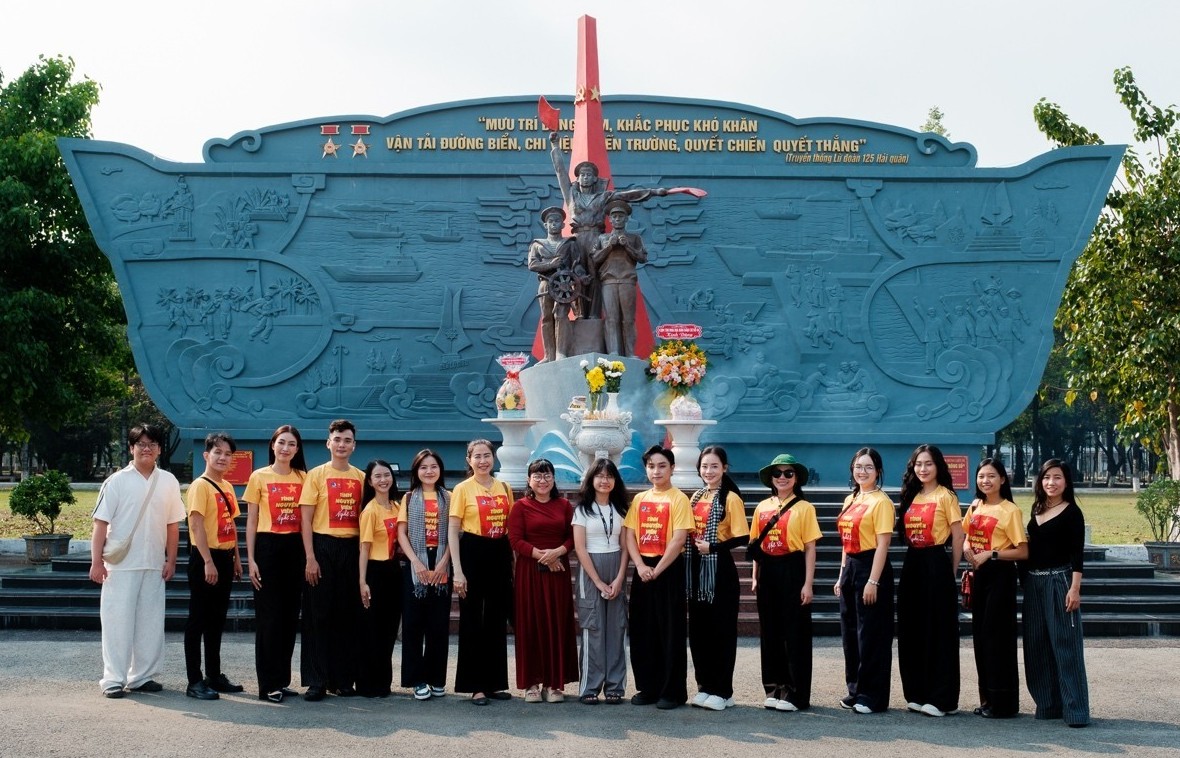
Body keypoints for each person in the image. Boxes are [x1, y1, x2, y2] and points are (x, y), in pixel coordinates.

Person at [89, 424, 186, 699]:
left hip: (154, 563)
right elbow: (100, 524)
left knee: (150, 623)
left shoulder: (167, 481)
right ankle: (113, 679)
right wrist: (96, 563)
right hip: (120, 565)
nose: (146, 448)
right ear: (131, 448)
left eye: (152, 443)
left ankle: (142, 676)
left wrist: (171, 560)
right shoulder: (117, 481)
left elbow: (172, 524)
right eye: (140, 443)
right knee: (117, 622)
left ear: (159, 448)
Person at [549, 135, 673, 319]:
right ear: (578, 177)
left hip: (597, 237)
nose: (585, 177)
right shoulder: (571, 195)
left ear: (594, 179)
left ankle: (594, 316)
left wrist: (654, 192)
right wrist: (555, 145)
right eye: (582, 174)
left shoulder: (604, 196)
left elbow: (628, 196)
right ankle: (580, 315)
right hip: (577, 241)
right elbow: (560, 171)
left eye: (589, 174)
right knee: (576, 275)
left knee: (596, 277)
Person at [622, 445, 694, 710]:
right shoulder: (640, 499)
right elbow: (629, 534)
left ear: (672, 468)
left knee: (670, 631)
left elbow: (678, 539)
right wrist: (640, 566)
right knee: (643, 630)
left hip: (668, 569)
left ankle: (672, 692)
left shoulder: (678, 499)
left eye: (662, 465)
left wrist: (657, 569)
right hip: (643, 569)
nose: (656, 471)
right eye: (651, 466)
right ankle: (648, 688)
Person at [298, 419, 365, 701]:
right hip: (322, 546)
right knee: (317, 616)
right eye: (337, 439)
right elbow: (306, 518)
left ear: (354, 445)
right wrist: (310, 557)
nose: (342, 445)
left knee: (346, 615)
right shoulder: (315, 475)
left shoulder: (361, 477)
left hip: (350, 548)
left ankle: (342, 678)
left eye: (347, 440)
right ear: (328, 443)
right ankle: (316, 680)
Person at [750, 453, 821, 712]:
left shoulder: (804, 508)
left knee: (795, 633)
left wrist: (808, 583)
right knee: (770, 632)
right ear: (771, 478)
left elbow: (810, 548)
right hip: (767, 570)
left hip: (793, 568)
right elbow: (755, 545)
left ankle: (796, 693)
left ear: (796, 478)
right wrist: (755, 575)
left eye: (788, 473)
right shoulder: (762, 507)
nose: (782, 478)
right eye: (777, 473)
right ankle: (774, 687)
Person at [896, 444, 963, 718]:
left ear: (938, 467)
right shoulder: (912, 495)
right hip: (913, 562)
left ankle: (942, 697)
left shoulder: (946, 496)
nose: (923, 469)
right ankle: (917, 692)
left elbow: (958, 536)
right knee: (912, 628)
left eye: (928, 464)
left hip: (937, 562)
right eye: (918, 464)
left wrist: (952, 571)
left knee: (940, 631)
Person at [1023, 459, 1090, 727]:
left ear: (1066, 481)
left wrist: (1074, 589)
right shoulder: (1037, 508)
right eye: (1047, 477)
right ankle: (1048, 704)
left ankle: (1076, 711)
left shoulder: (1072, 513)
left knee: (1065, 646)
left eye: (1057, 477)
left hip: (1060, 582)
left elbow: (1077, 555)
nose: (1051, 482)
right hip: (1034, 584)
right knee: (1037, 646)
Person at [243, 424, 307, 703]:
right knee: (269, 619)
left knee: (289, 617)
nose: (285, 448)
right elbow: (252, 520)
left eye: (291, 444)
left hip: (295, 549)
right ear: (272, 445)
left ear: (297, 449)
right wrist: (251, 559)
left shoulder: (304, 477)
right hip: (268, 547)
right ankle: (267, 683)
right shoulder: (259, 476)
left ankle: (282, 678)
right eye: (281, 443)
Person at [449, 439, 515, 705]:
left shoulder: (504, 487)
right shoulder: (462, 489)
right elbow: (453, 530)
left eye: (487, 455)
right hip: (473, 552)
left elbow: (510, 527)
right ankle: (475, 685)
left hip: (499, 553)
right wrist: (458, 571)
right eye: (477, 456)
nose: (483, 461)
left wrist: (512, 562)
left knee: (497, 619)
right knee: (473, 618)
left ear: (494, 458)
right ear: (469, 460)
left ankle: (495, 683)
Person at [508, 458, 578, 703]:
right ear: (529, 480)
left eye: (547, 475)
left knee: (556, 624)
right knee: (531, 625)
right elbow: (515, 540)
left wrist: (557, 552)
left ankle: (554, 683)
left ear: (554, 478)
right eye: (537, 476)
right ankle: (531, 684)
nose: (542, 480)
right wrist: (544, 557)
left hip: (558, 574)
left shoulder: (564, 506)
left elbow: (572, 538)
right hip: (530, 573)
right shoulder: (520, 507)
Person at [962, 457, 1028, 719]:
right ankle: (987, 699)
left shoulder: (1010, 510)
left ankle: (1004, 703)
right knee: (980, 637)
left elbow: (1023, 551)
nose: (985, 481)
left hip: (1000, 577)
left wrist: (992, 555)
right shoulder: (976, 506)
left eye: (991, 476)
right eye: (981, 476)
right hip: (980, 576)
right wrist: (968, 548)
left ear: (1002, 479)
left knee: (997, 639)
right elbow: (967, 535)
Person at [686, 445, 749, 711]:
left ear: (724, 468)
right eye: (704, 466)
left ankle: (723, 691)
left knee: (721, 631)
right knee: (699, 631)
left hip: (719, 569)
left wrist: (713, 547)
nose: (708, 471)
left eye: (714, 466)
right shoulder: (696, 496)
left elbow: (743, 536)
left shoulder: (730, 498)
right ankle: (705, 686)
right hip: (696, 567)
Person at [834, 447, 895, 714]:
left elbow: (883, 545)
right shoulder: (852, 499)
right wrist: (840, 575)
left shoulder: (881, 502)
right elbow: (845, 542)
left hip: (872, 566)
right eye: (859, 467)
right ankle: (855, 689)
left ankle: (873, 695)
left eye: (869, 467)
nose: (863, 472)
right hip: (851, 568)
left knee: (872, 635)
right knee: (850, 633)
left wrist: (874, 581)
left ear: (878, 471)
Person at [183, 432, 244, 700]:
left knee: (217, 620)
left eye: (227, 454)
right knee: (198, 619)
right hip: (204, 558)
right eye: (217, 452)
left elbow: (232, 525)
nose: (222, 457)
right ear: (206, 455)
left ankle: (214, 675)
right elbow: (196, 524)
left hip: (225, 558)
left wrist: (237, 559)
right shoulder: (200, 486)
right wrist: (208, 561)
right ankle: (194, 681)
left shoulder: (228, 487)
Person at [571, 458, 630, 705]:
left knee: (617, 628)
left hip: (616, 564)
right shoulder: (582, 510)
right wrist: (596, 580)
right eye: (600, 476)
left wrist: (618, 579)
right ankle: (590, 686)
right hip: (590, 570)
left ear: (615, 480)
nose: (604, 481)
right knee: (593, 628)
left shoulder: (622, 509)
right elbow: (579, 547)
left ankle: (615, 686)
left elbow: (626, 547)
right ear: (591, 480)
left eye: (609, 476)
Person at [396, 449, 452, 701]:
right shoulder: (408, 498)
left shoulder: (450, 498)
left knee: (438, 625)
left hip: (442, 561)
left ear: (440, 470)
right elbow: (401, 533)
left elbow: (455, 533)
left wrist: (443, 563)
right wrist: (416, 562)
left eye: (433, 466)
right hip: (416, 563)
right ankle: (416, 679)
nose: (429, 471)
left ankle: (436, 678)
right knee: (413, 624)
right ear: (416, 472)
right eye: (423, 467)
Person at [356, 459, 403, 698]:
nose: (383, 480)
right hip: (374, 572)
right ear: (370, 481)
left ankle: (383, 682)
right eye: (378, 476)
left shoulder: (397, 507)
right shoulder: (370, 510)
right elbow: (364, 548)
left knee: (388, 629)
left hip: (394, 571)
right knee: (371, 629)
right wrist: (362, 581)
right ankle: (366, 683)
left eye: (386, 475)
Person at [589, 200, 647, 356]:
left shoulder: (634, 238)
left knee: (628, 320)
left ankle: (629, 353)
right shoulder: (602, 238)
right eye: (614, 216)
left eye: (621, 216)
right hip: (609, 281)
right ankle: (613, 352)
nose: (617, 219)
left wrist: (627, 246)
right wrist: (609, 246)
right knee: (611, 319)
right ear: (610, 219)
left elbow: (642, 258)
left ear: (626, 218)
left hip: (627, 281)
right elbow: (594, 259)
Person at [527, 206, 585, 361]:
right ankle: (548, 354)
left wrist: (581, 276)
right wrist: (550, 265)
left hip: (563, 285)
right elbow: (532, 265)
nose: (554, 224)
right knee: (546, 317)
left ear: (563, 225)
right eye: (550, 221)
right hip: (546, 284)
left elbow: (577, 264)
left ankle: (561, 352)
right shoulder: (537, 244)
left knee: (561, 316)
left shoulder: (570, 244)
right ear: (545, 225)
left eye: (557, 221)